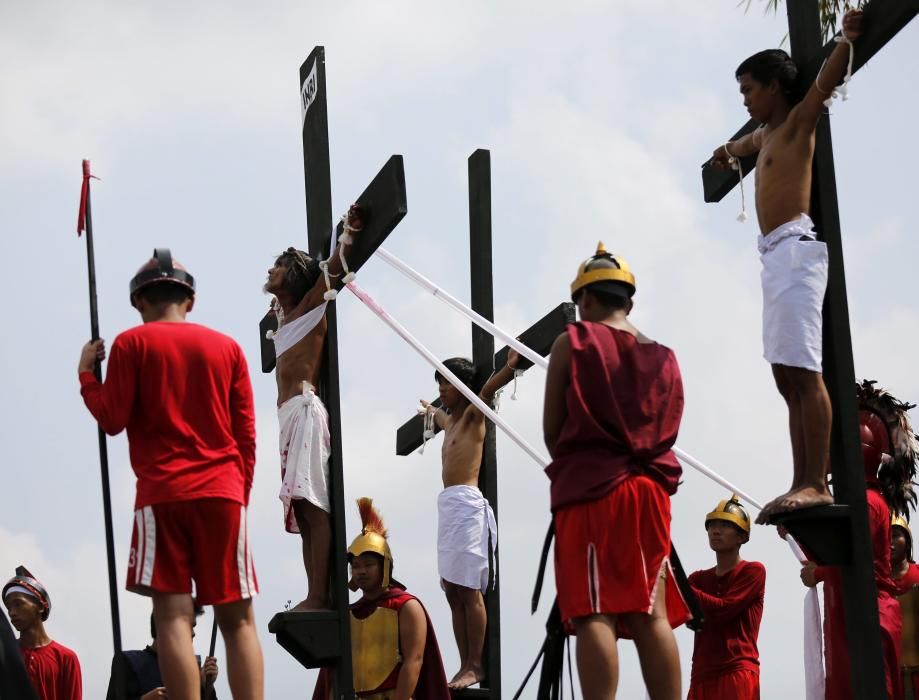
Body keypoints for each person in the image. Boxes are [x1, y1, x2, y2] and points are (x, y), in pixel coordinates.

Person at [78, 249, 263, 700]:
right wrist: (239, 495)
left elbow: (112, 417)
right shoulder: (228, 347)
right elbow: (246, 435)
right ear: (190, 300)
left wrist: (87, 374)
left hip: (162, 493)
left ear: (139, 302)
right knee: (238, 619)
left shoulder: (131, 344)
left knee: (174, 617)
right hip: (223, 492)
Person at [710, 9, 865, 520]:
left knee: (804, 369)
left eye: (750, 90)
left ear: (776, 87)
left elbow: (821, 85)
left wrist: (844, 40)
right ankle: (799, 477)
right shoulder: (765, 137)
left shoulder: (797, 123)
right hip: (772, 259)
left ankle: (814, 482)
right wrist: (724, 152)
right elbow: (740, 146)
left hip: (797, 251)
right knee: (784, 375)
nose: (747, 100)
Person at [543, 243, 691, 700]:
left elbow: (553, 431)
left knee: (594, 611)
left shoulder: (574, 342)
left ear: (584, 300)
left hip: (593, 490)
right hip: (651, 494)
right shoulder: (666, 357)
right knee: (652, 613)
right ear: (627, 300)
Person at [263, 205, 365, 612]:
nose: (270, 271)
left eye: (278, 266)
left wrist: (350, 231)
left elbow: (334, 269)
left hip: (305, 411)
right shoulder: (281, 317)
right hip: (287, 418)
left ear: (293, 273)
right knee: (301, 511)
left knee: (312, 505)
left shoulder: (309, 307)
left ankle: (319, 597)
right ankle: (313, 594)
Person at [797, 379, 916, 699]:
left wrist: (817, 573)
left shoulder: (865, 502)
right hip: (852, 619)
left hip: (867, 620)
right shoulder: (859, 499)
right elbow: (832, 551)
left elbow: (852, 562)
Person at [419, 351, 518, 689]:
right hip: (447, 508)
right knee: (452, 591)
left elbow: (489, 389)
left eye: (447, 382)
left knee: (469, 588)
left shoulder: (475, 413)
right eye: (440, 382)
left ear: (462, 385)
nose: (442, 388)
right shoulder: (450, 423)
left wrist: (509, 366)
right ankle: (464, 663)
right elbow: (439, 416)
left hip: (467, 505)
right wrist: (431, 411)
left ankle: (476, 663)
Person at [313, 498, 450, 700]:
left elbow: (414, 660)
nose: (361, 571)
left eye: (368, 564)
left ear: (385, 566)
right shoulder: (348, 613)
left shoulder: (405, 606)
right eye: (356, 566)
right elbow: (332, 674)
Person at [687, 496, 765, 699]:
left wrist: (681, 587)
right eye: (712, 524)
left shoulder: (753, 571)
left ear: (742, 536)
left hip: (737, 672)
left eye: (725, 525)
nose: (716, 530)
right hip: (701, 675)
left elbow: (723, 609)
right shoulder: (698, 579)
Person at [3, 566, 82, 700]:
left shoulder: (66, 658)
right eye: (9, 607)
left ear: (40, 606)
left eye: (18, 604)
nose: (12, 613)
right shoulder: (6, 655)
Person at [106, 608, 218, 700]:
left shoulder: (193, 671)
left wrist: (205, 686)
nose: (193, 634)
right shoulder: (128, 661)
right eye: (187, 626)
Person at [891, 515, 919, 698]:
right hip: (891, 678)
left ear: (907, 542)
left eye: (895, 535)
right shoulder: (874, 583)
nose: (890, 543)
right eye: (884, 537)